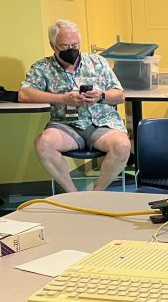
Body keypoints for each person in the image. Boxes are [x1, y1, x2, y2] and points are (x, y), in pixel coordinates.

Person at [19, 20, 129, 192]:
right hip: (65, 125)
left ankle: (96, 194)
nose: (71, 49)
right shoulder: (43, 67)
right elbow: (24, 94)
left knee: (122, 145)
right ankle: (73, 195)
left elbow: (120, 95)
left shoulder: (97, 62)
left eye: (75, 44)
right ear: (53, 45)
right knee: (43, 143)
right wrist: (63, 99)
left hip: (101, 124)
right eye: (65, 46)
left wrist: (100, 95)